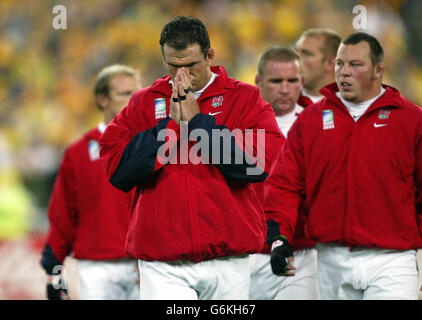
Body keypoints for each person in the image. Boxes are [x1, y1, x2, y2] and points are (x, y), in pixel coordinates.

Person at [99, 16, 283, 300]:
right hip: (163, 264)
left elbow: (256, 165)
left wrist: (198, 123)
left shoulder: (244, 99)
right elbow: (119, 170)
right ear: (164, 60)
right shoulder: (143, 103)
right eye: (174, 66)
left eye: (190, 65)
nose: (181, 74)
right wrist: (169, 128)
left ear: (210, 56)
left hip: (227, 260)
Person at [264, 32, 422, 300]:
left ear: (378, 69)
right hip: (330, 260)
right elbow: (284, 184)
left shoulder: (410, 120)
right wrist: (279, 237)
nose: (344, 72)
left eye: (355, 65)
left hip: (392, 260)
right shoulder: (311, 120)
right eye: (340, 64)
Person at [40, 64, 142, 300]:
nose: (135, 100)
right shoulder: (77, 154)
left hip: (145, 264)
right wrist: (54, 272)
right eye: (125, 94)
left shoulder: (153, 146)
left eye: (137, 93)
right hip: (97, 267)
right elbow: (63, 215)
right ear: (102, 99)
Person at [250, 45, 319, 300]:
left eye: (292, 80)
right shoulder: (239, 125)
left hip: (300, 251)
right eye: (276, 80)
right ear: (258, 81)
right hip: (246, 252)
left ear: (302, 80)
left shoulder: (320, 124)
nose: (285, 88)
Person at [295, 28, 341, 104]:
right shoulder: (282, 102)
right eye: (295, 52)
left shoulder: (353, 106)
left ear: (331, 63)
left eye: (306, 54)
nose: (295, 59)